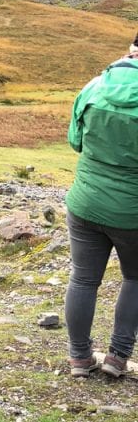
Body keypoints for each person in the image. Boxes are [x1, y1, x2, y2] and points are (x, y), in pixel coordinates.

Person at [64, 39, 138, 378]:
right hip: (132, 213)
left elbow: (75, 141)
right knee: (135, 279)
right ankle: (117, 357)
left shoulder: (93, 86)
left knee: (83, 278)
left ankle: (80, 358)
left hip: (85, 204)